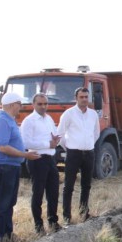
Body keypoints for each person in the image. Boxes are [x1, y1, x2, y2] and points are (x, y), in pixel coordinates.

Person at [0, 92, 40, 242]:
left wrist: (24, 153)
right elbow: (3, 147)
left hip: (12, 166)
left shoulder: (9, 120)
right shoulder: (1, 121)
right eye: (19, 104)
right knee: (3, 202)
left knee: (10, 202)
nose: (21, 107)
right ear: (11, 105)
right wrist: (24, 154)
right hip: (4, 166)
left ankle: (7, 234)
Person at [57, 87, 100, 224]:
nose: (84, 99)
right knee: (68, 186)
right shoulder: (68, 114)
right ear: (76, 98)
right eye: (81, 97)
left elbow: (96, 132)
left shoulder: (93, 114)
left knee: (86, 185)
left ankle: (84, 213)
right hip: (73, 153)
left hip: (89, 153)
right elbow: (60, 134)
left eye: (86, 97)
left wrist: (88, 145)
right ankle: (67, 217)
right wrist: (70, 147)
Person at [21, 93, 63, 234]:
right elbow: (25, 143)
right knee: (38, 193)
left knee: (53, 192)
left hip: (50, 159)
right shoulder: (29, 121)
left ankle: (53, 222)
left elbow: (53, 136)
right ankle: (39, 226)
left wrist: (56, 140)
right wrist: (47, 143)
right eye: (40, 104)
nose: (43, 106)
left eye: (45, 103)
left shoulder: (49, 119)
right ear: (33, 104)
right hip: (37, 159)